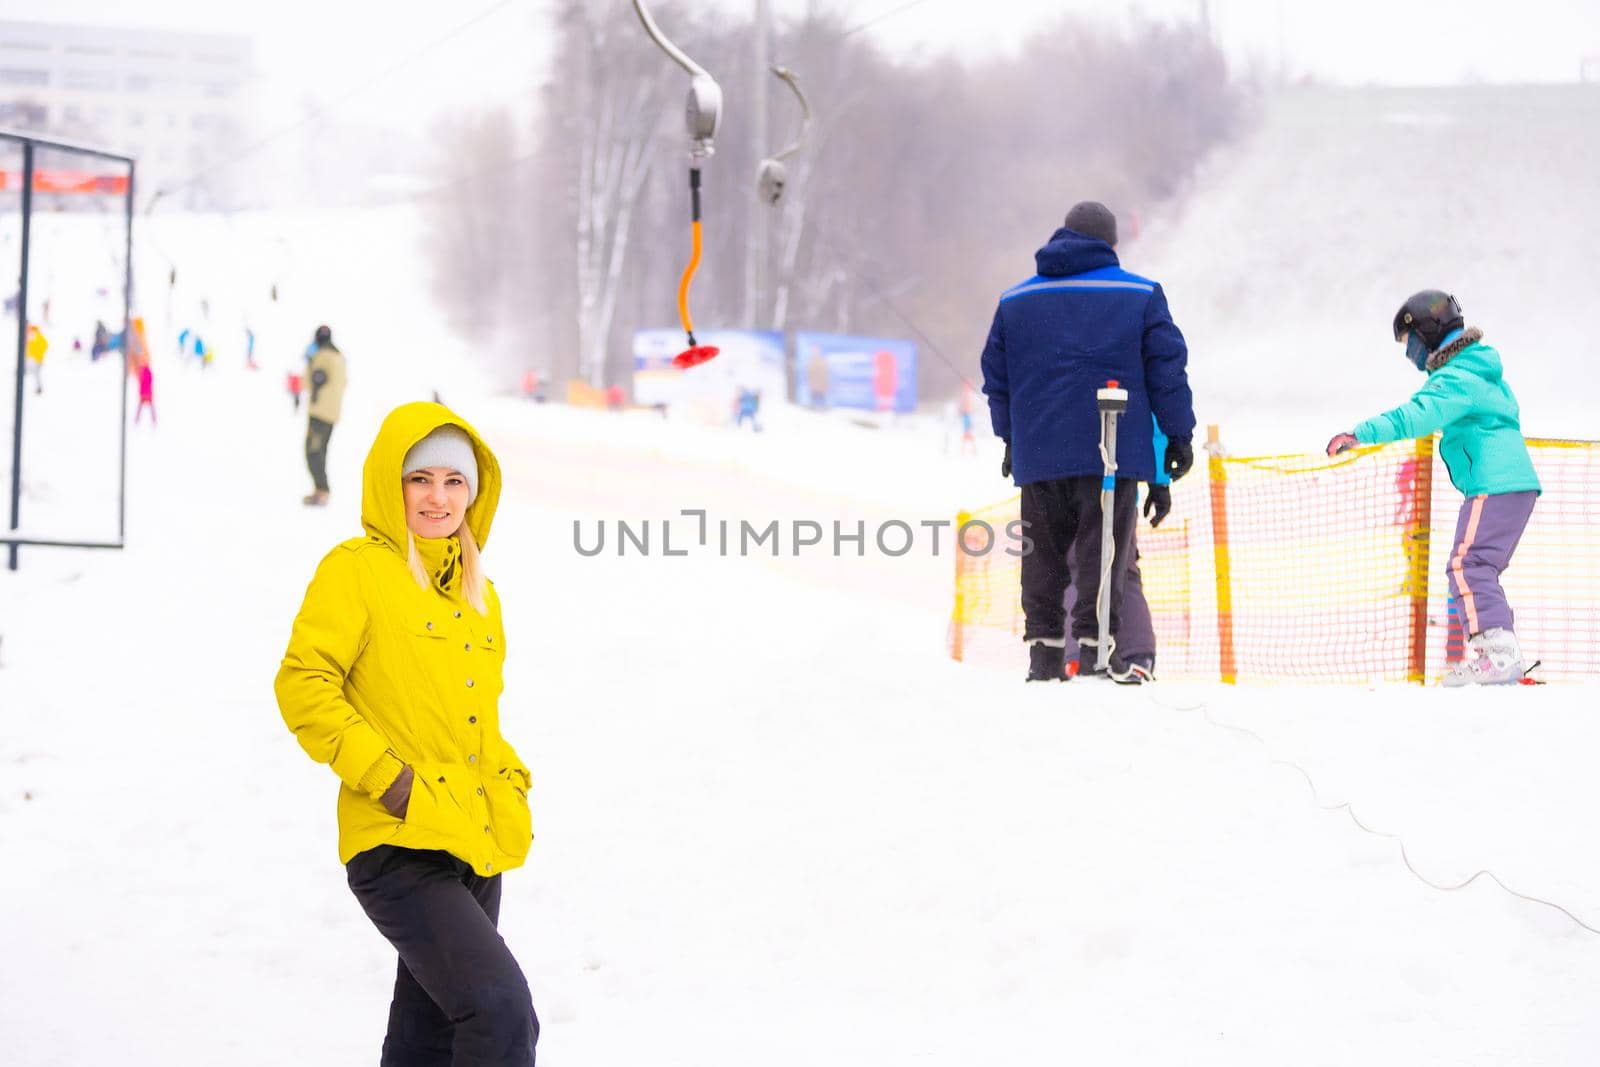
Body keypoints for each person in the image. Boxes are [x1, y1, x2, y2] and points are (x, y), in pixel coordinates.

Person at [275, 402, 538, 1064]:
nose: (438, 496)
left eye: (455, 480)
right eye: (420, 478)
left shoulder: (481, 596)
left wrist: (509, 783)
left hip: (470, 841)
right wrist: (390, 779)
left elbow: (481, 723)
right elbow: (304, 684)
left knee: (431, 1037)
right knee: (501, 1011)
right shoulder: (358, 569)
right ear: (391, 482)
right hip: (397, 843)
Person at [980, 200, 1195, 683]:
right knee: (1105, 551)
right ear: (1110, 244)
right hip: (1111, 451)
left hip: (1039, 455)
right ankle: (1098, 655)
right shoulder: (1141, 294)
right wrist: (1178, 436)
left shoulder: (1015, 301)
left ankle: (1044, 659)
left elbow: (997, 379)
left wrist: (1011, 438)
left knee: (1043, 555)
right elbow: (1167, 371)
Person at [1327, 290, 1541, 686]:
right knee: (1479, 567)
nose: (1410, 355)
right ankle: (1502, 653)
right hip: (1513, 484)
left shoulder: (1457, 376)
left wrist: (1362, 433)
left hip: (1495, 484)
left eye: (1409, 345)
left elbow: (1420, 414)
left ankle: (1499, 655)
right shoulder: (1477, 369)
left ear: (1426, 334)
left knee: (1468, 565)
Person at [303, 324, 348, 507]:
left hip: (320, 412)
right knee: (321, 450)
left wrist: (309, 361)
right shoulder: (339, 356)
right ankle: (320, 490)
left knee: (313, 451)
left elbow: (315, 379)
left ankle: (322, 490)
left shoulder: (321, 356)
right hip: (332, 412)